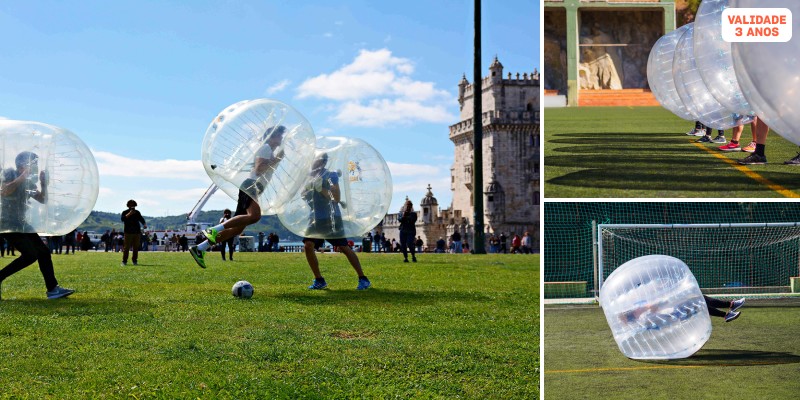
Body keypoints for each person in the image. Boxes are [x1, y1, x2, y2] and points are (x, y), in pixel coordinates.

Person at [190, 125, 285, 268]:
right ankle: (214, 229)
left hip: (255, 187)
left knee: (238, 229)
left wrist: (276, 159)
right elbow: (259, 169)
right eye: (279, 136)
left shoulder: (269, 151)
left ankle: (201, 248)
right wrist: (276, 160)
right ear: (272, 137)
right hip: (251, 185)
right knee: (255, 216)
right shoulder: (265, 148)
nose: (281, 139)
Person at [0, 151, 74, 300]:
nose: (36, 167)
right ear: (23, 165)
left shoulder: (29, 182)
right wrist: (23, 176)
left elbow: (42, 199)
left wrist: (43, 184)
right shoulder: (9, 174)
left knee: (43, 251)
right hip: (6, 222)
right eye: (34, 163)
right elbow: (4, 191)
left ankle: (53, 289)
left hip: (21, 222)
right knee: (30, 255)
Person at [301, 153, 370, 290]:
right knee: (308, 245)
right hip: (315, 218)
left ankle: (363, 278)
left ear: (322, 162)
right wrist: (306, 190)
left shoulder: (330, 175)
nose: (313, 162)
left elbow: (336, 198)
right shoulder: (310, 177)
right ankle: (319, 280)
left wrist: (322, 189)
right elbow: (304, 195)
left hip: (331, 218)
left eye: (316, 160)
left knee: (344, 247)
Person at [120, 199, 147, 266]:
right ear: (128, 206)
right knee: (126, 247)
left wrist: (144, 224)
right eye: (131, 205)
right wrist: (129, 214)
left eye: (133, 205)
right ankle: (124, 261)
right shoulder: (125, 212)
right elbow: (123, 219)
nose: (132, 206)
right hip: (128, 232)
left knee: (136, 247)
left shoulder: (137, 212)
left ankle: (134, 261)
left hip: (137, 232)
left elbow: (141, 219)